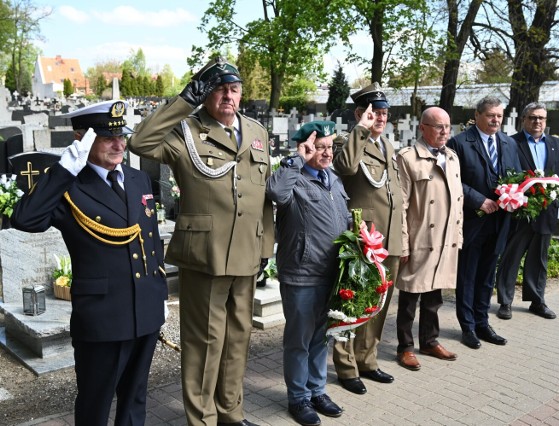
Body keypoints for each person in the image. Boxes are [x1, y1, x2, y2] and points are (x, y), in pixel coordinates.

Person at [128, 57, 275, 426]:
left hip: (246, 253)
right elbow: (140, 142)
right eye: (220, 88)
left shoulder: (257, 132)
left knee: (237, 340)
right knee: (203, 345)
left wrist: (265, 247)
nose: (228, 95)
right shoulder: (185, 132)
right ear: (207, 94)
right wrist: (182, 101)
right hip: (204, 255)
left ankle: (231, 413)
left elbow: (264, 199)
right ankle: (202, 419)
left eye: (234, 89)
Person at [11, 100, 168, 426]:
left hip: (146, 309)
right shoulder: (70, 186)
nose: (119, 144)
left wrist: (159, 293)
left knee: (135, 399)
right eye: (107, 137)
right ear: (82, 139)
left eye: (122, 136)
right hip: (103, 318)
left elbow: (150, 241)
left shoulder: (138, 179)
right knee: (95, 405)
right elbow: (25, 219)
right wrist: (63, 171)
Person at [267, 121, 350, 426]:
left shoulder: (334, 180)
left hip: (332, 274)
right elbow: (274, 192)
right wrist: (297, 159)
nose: (327, 153)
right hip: (302, 274)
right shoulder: (294, 179)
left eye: (330, 146)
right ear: (305, 148)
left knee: (320, 338)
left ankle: (317, 390)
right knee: (299, 341)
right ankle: (298, 398)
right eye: (320, 147)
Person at [331, 82, 402, 395]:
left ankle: (367, 359)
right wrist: (361, 130)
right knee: (352, 302)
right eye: (376, 113)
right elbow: (344, 167)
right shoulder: (349, 141)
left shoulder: (386, 145)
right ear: (361, 114)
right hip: (364, 237)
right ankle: (346, 368)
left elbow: (394, 191)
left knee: (380, 301)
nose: (382, 118)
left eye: (385, 113)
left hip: (390, 236)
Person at [447, 96, 521, 350]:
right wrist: (478, 200)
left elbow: (517, 178)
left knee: (488, 275)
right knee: (468, 275)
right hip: (472, 220)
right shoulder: (459, 142)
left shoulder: (509, 143)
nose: (495, 120)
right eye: (491, 115)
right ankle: (467, 326)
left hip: (500, 221)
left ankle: (482, 322)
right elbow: (453, 180)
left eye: (499, 116)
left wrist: (516, 196)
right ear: (477, 115)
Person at [495, 103, 559, 320]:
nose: (537, 122)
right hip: (519, 211)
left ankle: (537, 301)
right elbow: (503, 175)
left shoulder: (557, 145)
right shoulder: (511, 143)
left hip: (546, 211)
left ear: (546, 120)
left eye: (541, 118)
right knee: (511, 257)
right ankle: (505, 301)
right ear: (524, 119)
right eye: (532, 117)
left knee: (538, 259)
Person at [395, 107, 463, 370]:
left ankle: (429, 341)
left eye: (447, 126)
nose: (444, 131)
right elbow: (400, 205)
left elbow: (458, 201)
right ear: (422, 128)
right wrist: (403, 243)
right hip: (420, 236)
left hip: (446, 239)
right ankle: (405, 347)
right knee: (410, 296)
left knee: (435, 296)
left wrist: (458, 236)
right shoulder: (408, 158)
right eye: (438, 126)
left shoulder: (453, 158)